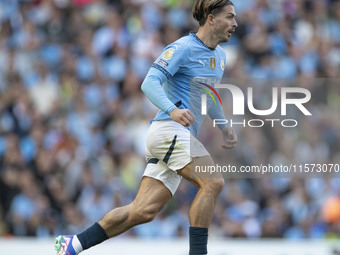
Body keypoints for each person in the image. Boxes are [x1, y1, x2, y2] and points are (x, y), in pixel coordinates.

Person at [55, 0, 238, 254]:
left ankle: (72, 244)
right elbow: (149, 82)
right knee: (213, 182)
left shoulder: (219, 56)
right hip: (167, 131)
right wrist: (173, 110)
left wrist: (223, 125)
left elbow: (208, 94)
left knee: (143, 211)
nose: (235, 23)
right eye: (229, 17)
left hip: (177, 138)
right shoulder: (183, 48)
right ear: (211, 18)